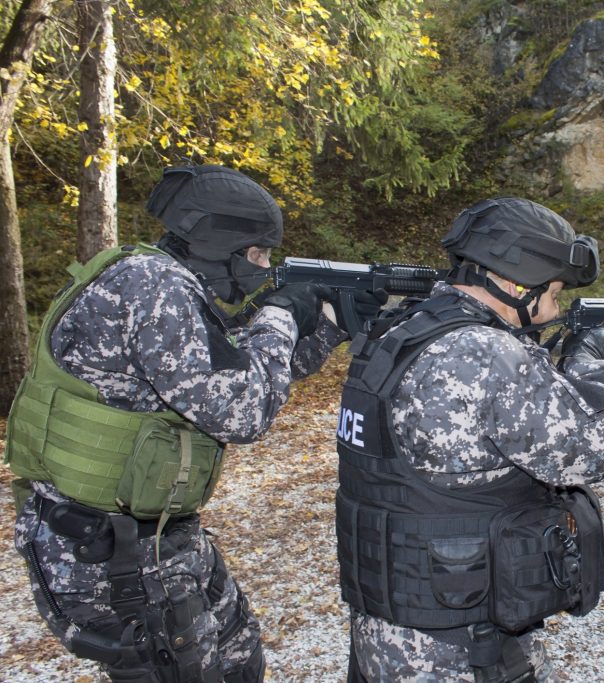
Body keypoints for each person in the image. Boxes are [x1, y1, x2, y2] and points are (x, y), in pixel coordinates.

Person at [5, 165, 383, 682]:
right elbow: (242, 413)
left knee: (237, 659)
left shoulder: (163, 280)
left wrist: (328, 326)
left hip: (156, 536)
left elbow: (233, 374)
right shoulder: (152, 287)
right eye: (258, 255)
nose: (264, 266)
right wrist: (280, 315)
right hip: (106, 549)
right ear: (219, 245)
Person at [335, 197, 604, 681]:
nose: (556, 305)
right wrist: (597, 360)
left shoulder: (401, 327)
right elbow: (600, 448)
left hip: (389, 627)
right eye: (553, 291)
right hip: (463, 647)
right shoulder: (485, 352)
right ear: (514, 284)